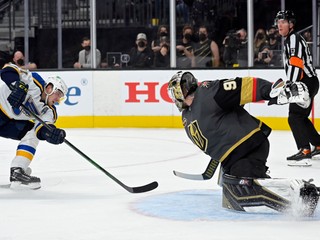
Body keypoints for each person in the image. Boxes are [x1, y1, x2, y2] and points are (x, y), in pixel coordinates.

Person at [168, 71, 320, 216]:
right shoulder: (187, 114)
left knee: (243, 192)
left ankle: (304, 195)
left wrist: (272, 90)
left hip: (249, 148)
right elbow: (217, 133)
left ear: (179, 92)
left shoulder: (207, 92)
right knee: (231, 190)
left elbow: (243, 87)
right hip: (233, 157)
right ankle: (273, 184)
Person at [0, 63, 67, 189]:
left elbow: (41, 129)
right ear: (49, 88)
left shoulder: (49, 111)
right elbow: (7, 69)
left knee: (32, 132)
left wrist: (50, 134)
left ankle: (18, 170)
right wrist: (17, 86)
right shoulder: (34, 81)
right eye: (58, 94)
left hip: (10, 124)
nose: (58, 99)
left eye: (61, 97)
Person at [275, 10, 320, 166]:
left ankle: (304, 149)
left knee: (294, 116)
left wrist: (292, 85)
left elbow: (296, 63)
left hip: (305, 82)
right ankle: (319, 145)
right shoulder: (291, 39)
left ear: (291, 24)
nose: (279, 24)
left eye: (283, 21)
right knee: (300, 117)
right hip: (309, 82)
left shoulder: (293, 39)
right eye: (278, 22)